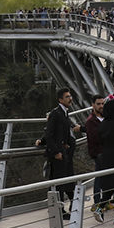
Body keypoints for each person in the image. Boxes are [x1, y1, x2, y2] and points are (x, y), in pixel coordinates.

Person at [43, 88, 81, 218]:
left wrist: (65, 143)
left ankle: (59, 207)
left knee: (63, 180)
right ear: (60, 100)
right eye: (67, 97)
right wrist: (56, 152)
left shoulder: (64, 113)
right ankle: (58, 210)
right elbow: (49, 134)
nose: (70, 99)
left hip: (63, 152)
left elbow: (60, 132)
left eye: (70, 96)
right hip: (58, 155)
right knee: (58, 182)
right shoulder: (56, 113)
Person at [85, 96, 105, 217]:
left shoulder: (105, 117)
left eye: (102, 103)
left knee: (104, 177)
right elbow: (95, 138)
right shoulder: (90, 121)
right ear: (93, 105)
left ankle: (103, 202)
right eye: (98, 104)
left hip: (107, 153)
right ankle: (97, 202)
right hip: (98, 153)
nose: (101, 106)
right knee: (99, 178)